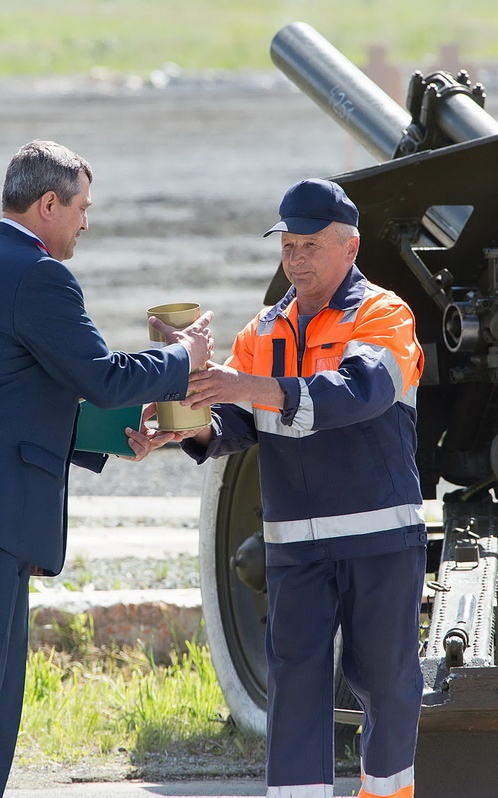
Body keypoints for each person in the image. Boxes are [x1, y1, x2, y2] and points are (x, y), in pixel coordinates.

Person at [0, 139, 213, 798]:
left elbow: (15, 399)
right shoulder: (38, 275)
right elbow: (100, 375)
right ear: (49, 203)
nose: (86, 222)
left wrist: (121, 436)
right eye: (82, 207)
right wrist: (185, 357)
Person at [135, 178, 426, 798]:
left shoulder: (384, 314)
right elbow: (235, 423)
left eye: (308, 246)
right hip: (293, 544)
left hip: (378, 537)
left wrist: (243, 386)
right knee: (294, 684)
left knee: (385, 680)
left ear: (349, 248)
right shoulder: (265, 327)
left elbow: (358, 393)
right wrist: (183, 426)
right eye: (287, 245)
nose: (294, 259)